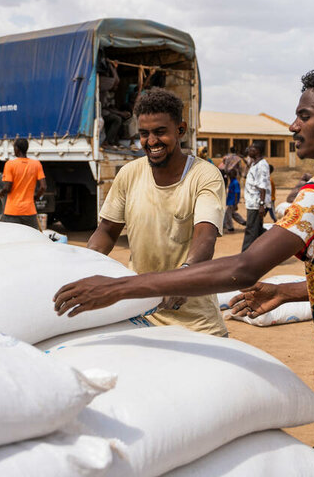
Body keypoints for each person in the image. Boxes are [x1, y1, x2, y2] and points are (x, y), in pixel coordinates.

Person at [55, 64, 314, 476]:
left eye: (304, 116)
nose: (293, 125)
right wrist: (289, 292)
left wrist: (121, 287)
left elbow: (244, 266)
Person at [85, 87, 227, 337]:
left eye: (160, 132)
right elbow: (106, 232)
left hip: (195, 322)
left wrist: (183, 278)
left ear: (180, 130)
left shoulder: (204, 176)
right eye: (144, 133)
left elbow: (205, 236)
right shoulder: (129, 174)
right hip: (141, 316)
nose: (151, 142)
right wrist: (81, 267)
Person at [0, 138, 46, 230]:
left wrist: (1, 192)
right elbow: (43, 187)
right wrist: (35, 198)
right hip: (29, 211)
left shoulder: (10, 164)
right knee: (32, 239)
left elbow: (8, 187)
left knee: (11, 239)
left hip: (12, 211)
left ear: (17, 149)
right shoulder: (36, 164)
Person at [242, 142, 270, 252]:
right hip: (252, 202)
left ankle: (244, 255)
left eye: (251, 148)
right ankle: (270, 249)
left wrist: (261, 205)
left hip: (256, 203)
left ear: (258, 151)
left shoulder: (262, 165)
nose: (249, 150)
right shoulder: (254, 163)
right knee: (258, 230)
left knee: (251, 230)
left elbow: (262, 186)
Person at [223, 168, 246, 233]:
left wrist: (236, 203)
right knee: (233, 214)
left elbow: (236, 193)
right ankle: (243, 222)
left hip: (232, 202)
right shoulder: (232, 182)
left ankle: (230, 227)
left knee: (228, 214)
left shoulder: (235, 183)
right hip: (230, 201)